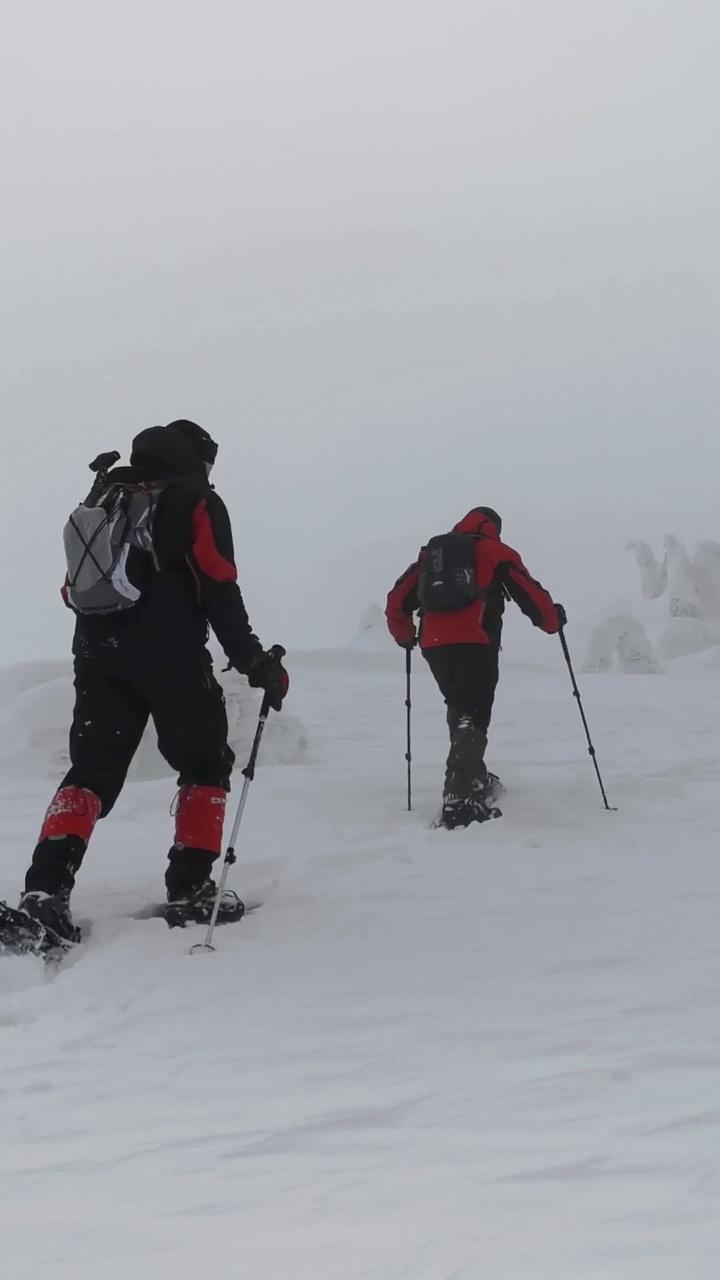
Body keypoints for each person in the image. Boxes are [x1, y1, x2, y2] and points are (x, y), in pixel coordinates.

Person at [16, 419, 288, 941]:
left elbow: (73, 587)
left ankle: (44, 893)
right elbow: (219, 587)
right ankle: (190, 888)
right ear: (197, 458)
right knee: (205, 761)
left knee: (90, 772)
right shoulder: (196, 500)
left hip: (97, 652)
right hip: (170, 655)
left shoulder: (107, 494)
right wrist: (255, 663)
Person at [385, 506, 565, 829]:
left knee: (460, 704)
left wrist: (405, 634)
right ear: (494, 527)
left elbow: (397, 600)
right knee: (473, 713)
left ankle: (474, 776)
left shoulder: (433, 556)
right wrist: (554, 620)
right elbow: (533, 596)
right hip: (476, 641)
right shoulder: (495, 551)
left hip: (434, 645)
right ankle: (461, 800)